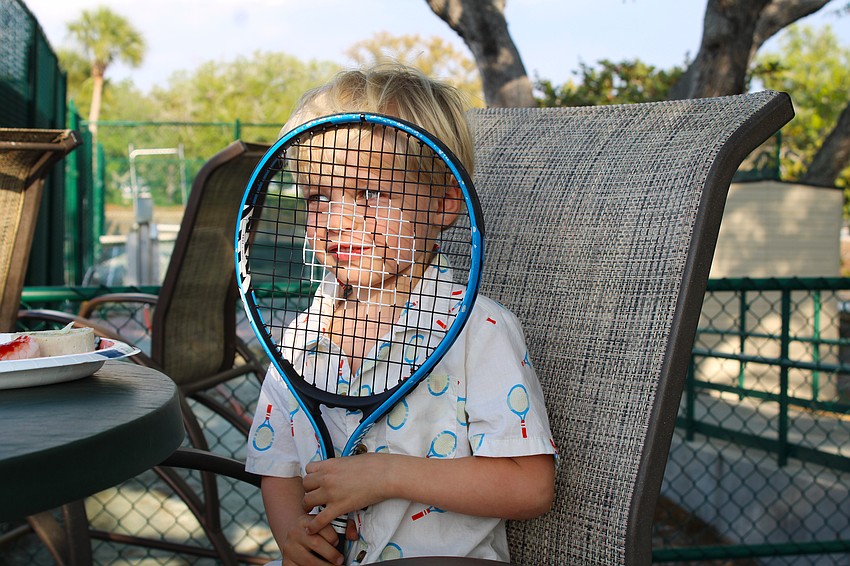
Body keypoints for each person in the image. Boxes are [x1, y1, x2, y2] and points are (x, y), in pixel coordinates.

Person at [246, 64, 557, 566]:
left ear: (442, 203)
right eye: (318, 197)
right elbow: (277, 465)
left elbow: (529, 485)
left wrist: (389, 474)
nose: (338, 221)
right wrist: (291, 535)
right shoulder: (298, 340)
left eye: (369, 195)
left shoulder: (480, 331)